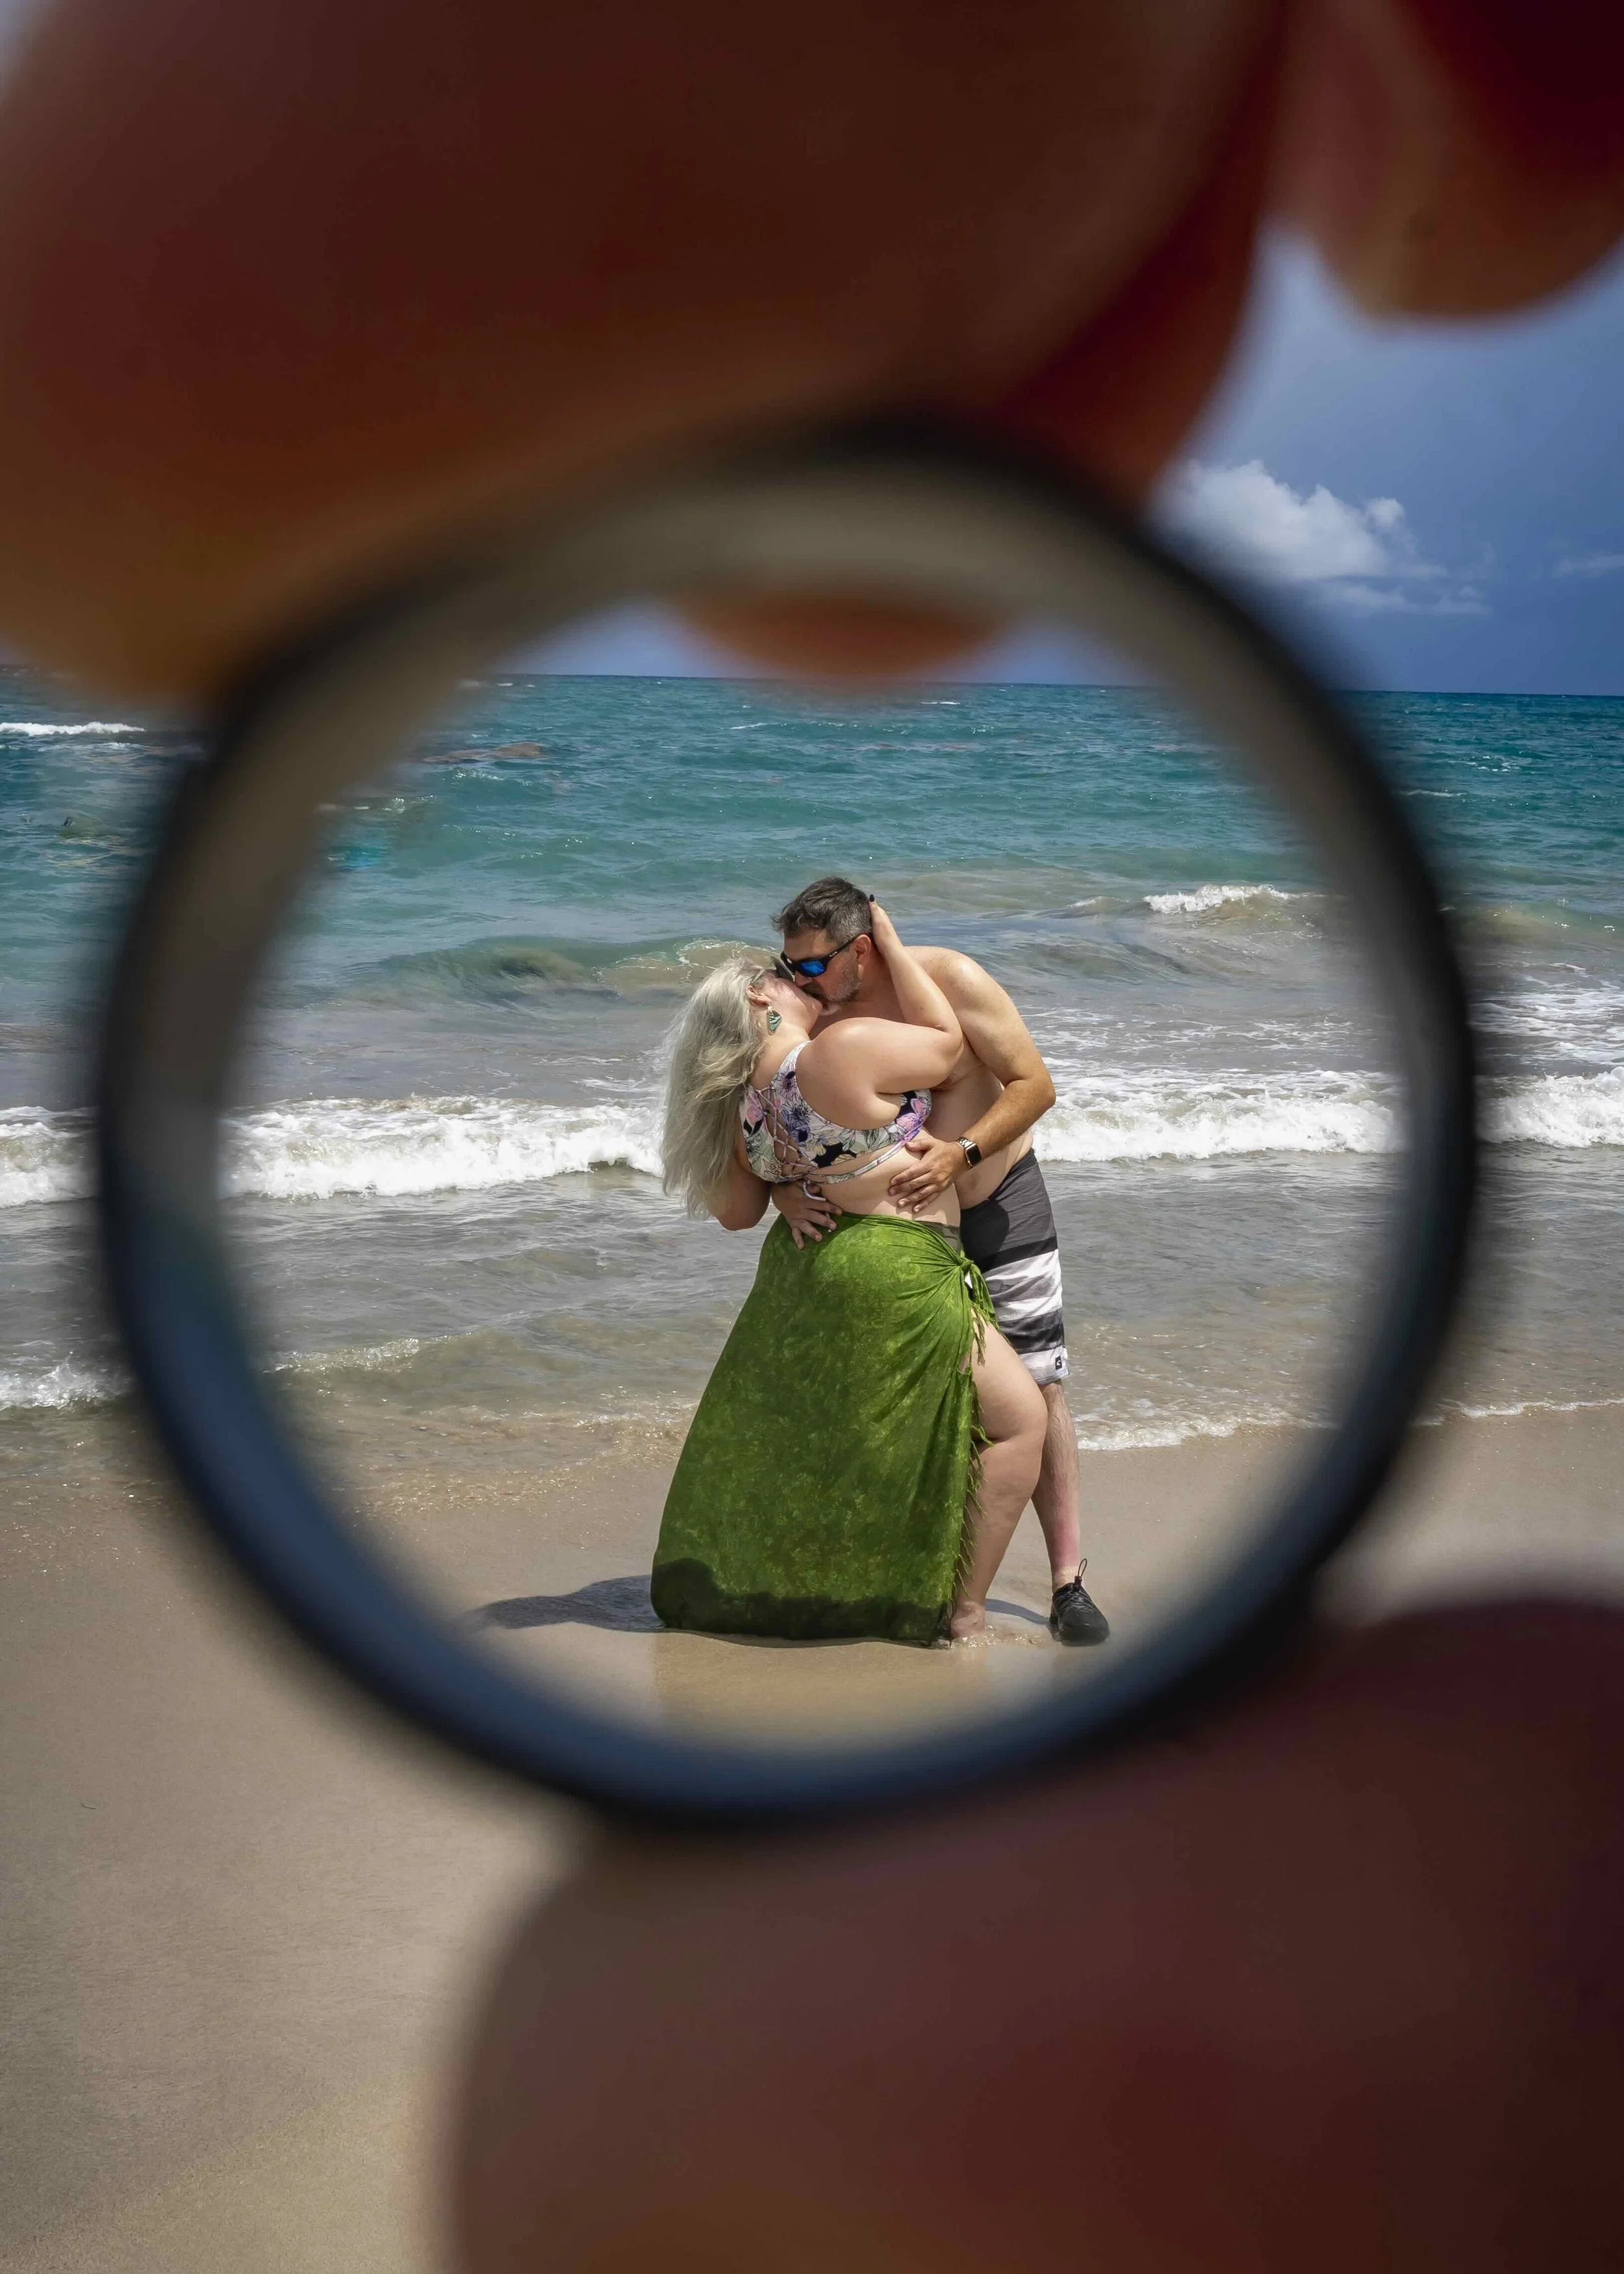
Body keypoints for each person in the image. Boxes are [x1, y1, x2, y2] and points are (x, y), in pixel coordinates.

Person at [1, 6, 1621, 2270]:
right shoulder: (847, 1028)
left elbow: (973, 1103)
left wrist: (939, 1154)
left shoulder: (892, 1012)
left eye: (827, 941)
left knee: (1017, 1397)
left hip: (971, 1216)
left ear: (836, 939)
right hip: (926, 1229)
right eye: (813, 951)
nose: (827, 963)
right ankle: (992, 1615)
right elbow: (849, 1142)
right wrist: (904, 1154)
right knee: (1012, 1400)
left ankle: (1020, 1609)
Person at [653, 904, 1047, 1643]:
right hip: (896, 1263)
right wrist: (892, 948)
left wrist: (780, 1187)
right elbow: (948, 1045)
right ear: (758, 1001)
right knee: (1020, 1423)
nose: (803, 980)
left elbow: (737, 1212)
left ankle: (841, 1586)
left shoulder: (736, 1104)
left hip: (808, 1271)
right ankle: (963, 1611)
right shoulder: (838, 1052)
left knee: (848, 1442)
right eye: (785, 974)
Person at [770, 875, 1111, 1646]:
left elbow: (1036, 1085)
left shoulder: (950, 978)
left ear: (862, 948)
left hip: (999, 1201)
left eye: (815, 966)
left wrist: (960, 1154)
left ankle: (1066, 1582)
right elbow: (773, 1116)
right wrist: (783, 1194)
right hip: (910, 1236)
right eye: (789, 967)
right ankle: (909, 1571)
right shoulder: (814, 1017)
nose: (801, 983)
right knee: (909, 1396)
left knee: (1040, 1385)